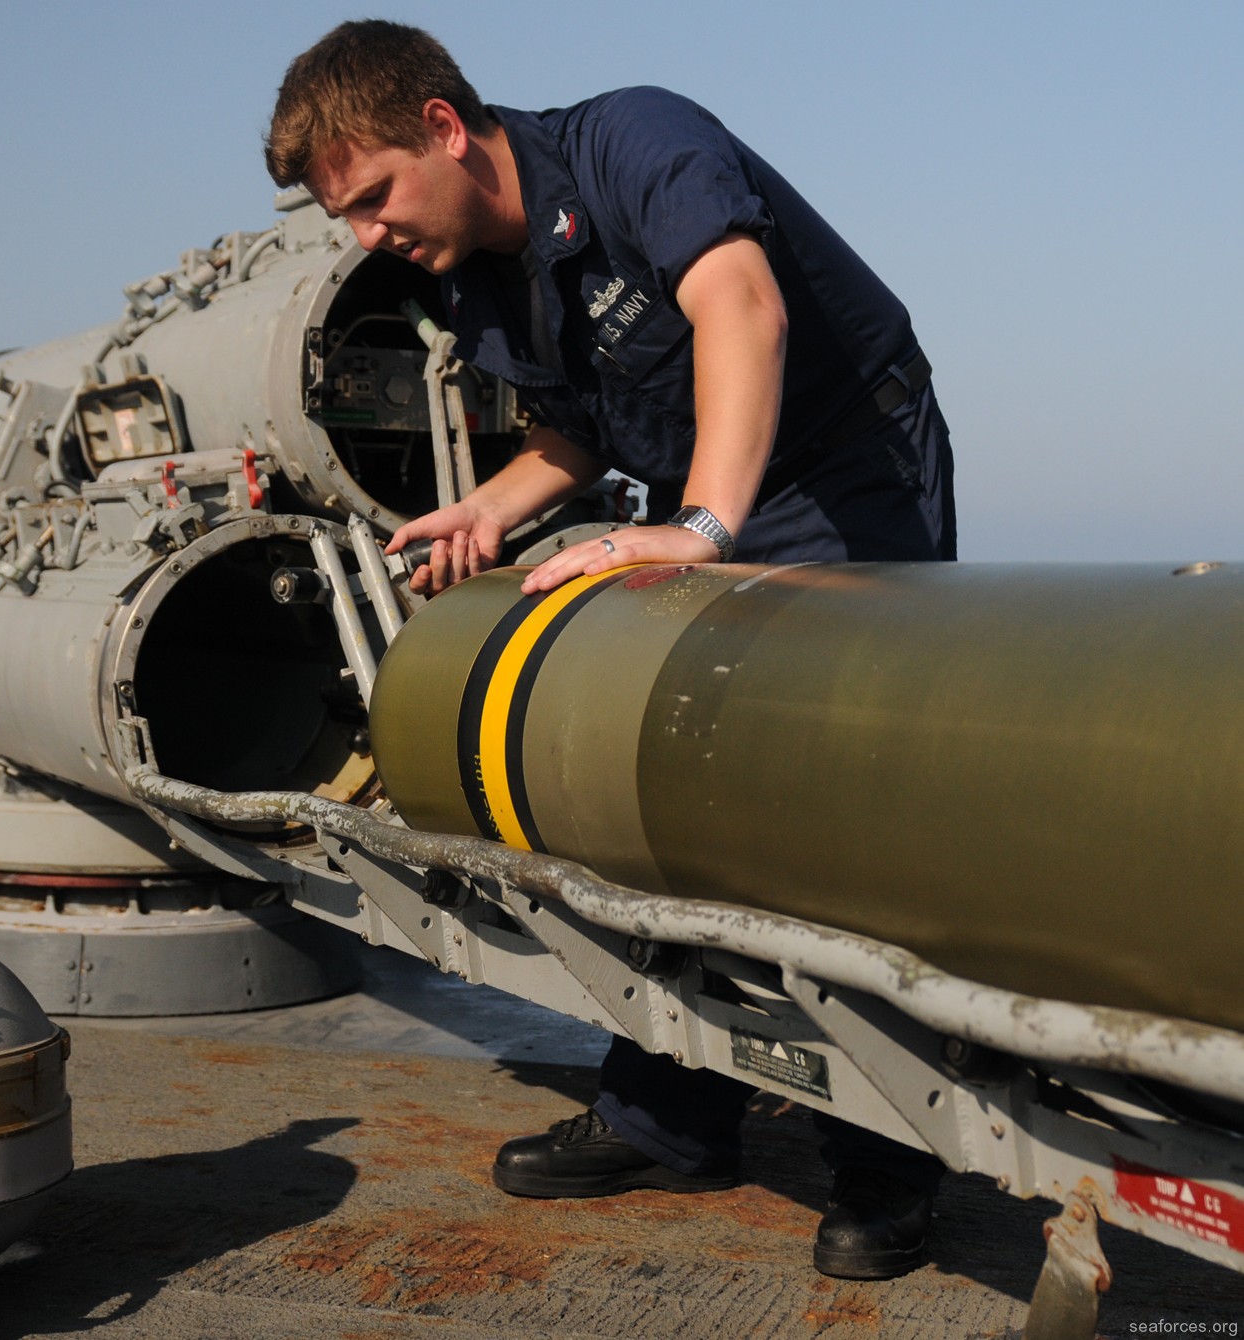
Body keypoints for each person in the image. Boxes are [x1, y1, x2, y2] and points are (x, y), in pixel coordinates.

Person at [266, 20, 956, 1280]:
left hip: (840, 464)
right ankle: (672, 1117)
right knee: (677, 801)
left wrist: (699, 526)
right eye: (342, 219)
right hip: (715, 490)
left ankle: (890, 1163)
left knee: (844, 811)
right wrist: (492, 506)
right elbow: (578, 433)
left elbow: (738, 304)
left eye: (370, 196)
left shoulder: (635, 135)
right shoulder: (470, 273)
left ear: (440, 125)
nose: (365, 234)